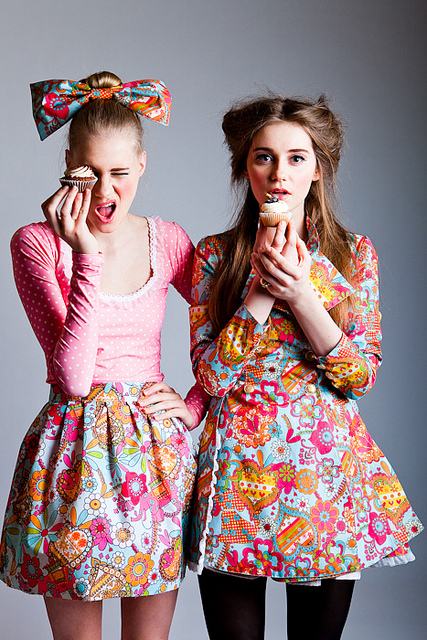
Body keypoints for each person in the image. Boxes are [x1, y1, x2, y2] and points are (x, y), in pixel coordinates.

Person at [187, 94, 423, 640]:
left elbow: (359, 376)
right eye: (263, 157)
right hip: (235, 476)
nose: (279, 174)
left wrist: (301, 294)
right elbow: (212, 377)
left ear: (317, 170)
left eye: (296, 158)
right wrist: (261, 292)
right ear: (244, 168)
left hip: (325, 476)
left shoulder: (352, 254)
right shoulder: (214, 256)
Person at [0, 71, 209, 640]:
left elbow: (230, 328)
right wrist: (85, 255)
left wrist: (195, 403)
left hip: (154, 459)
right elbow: (72, 377)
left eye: (120, 172)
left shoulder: (168, 240)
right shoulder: (36, 243)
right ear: (68, 163)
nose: (105, 190)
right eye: (91, 172)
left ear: (142, 165)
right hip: (73, 457)